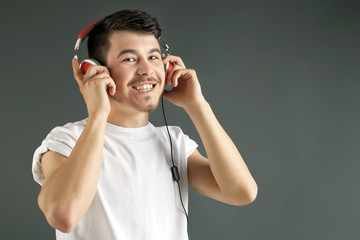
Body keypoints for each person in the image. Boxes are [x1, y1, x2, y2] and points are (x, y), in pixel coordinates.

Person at [32, 9, 257, 240]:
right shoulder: (65, 140)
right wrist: (98, 113)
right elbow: (63, 216)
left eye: (153, 57)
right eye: (129, 59)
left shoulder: (174, 143)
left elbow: (242, 192)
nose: (147, 70)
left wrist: (196, 104)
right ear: (95, 69)